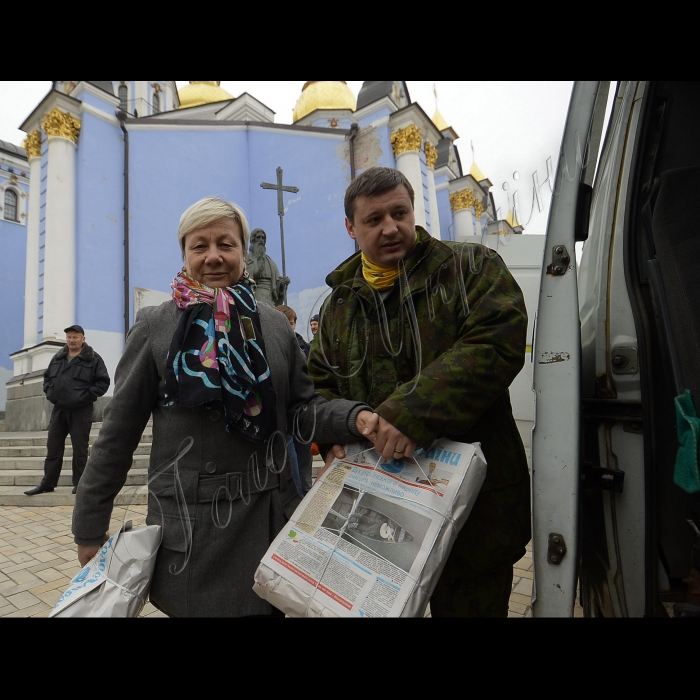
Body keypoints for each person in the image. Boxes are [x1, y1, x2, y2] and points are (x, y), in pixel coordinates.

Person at [72, 197, 372, 617]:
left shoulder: (271, 324)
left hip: (268, 526)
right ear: (185, 254)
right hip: (195, 535)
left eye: (226, 244)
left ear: (242, 253)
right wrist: (90, 526)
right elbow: (118, 435)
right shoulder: (156, 326)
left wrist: (350, 418)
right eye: (200, 246)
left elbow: (302, 410)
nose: (213, 256)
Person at [307, 167, 531, 617]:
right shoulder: (339, 304)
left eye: (399, 213)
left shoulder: (471, 267)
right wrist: (335, 435)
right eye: (373, 220)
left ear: (413, 212)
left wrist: (409, 414)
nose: (390, 227)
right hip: (374, 514)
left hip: (474, 515)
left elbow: (497, 340)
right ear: (351, 228)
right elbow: (317, 384)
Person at [24, 325, 110, 496]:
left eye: (75, 337)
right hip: (59, 410)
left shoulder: (93, 359)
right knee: (53, 448)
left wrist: (85, 396)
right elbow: (47, 378)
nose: (71, 340)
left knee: (79, 450)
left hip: (81, 411)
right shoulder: (58, 357)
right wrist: (51, 394)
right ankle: (48, 483)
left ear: (83, 339)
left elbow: (103, 382)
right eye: (69, 337)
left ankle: (80, 484)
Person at [275, 304, 313, 495]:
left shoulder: (304, 346)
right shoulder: (272, 346)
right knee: (294, 475)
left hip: (302, 421)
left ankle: (307, 501)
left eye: (291, 323)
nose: (289, 326)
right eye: (285, 322)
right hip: (284, 424)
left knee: (305, 472)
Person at [246, 228, 290, 307]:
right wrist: (255, 272)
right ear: (253, 240)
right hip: (255, 298)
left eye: (263, 238)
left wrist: (282, 285)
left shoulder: (270, 262)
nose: (261, 240)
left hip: (269, 301)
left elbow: (277, 290)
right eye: (258, 237)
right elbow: (241, 279)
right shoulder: (246, 259)